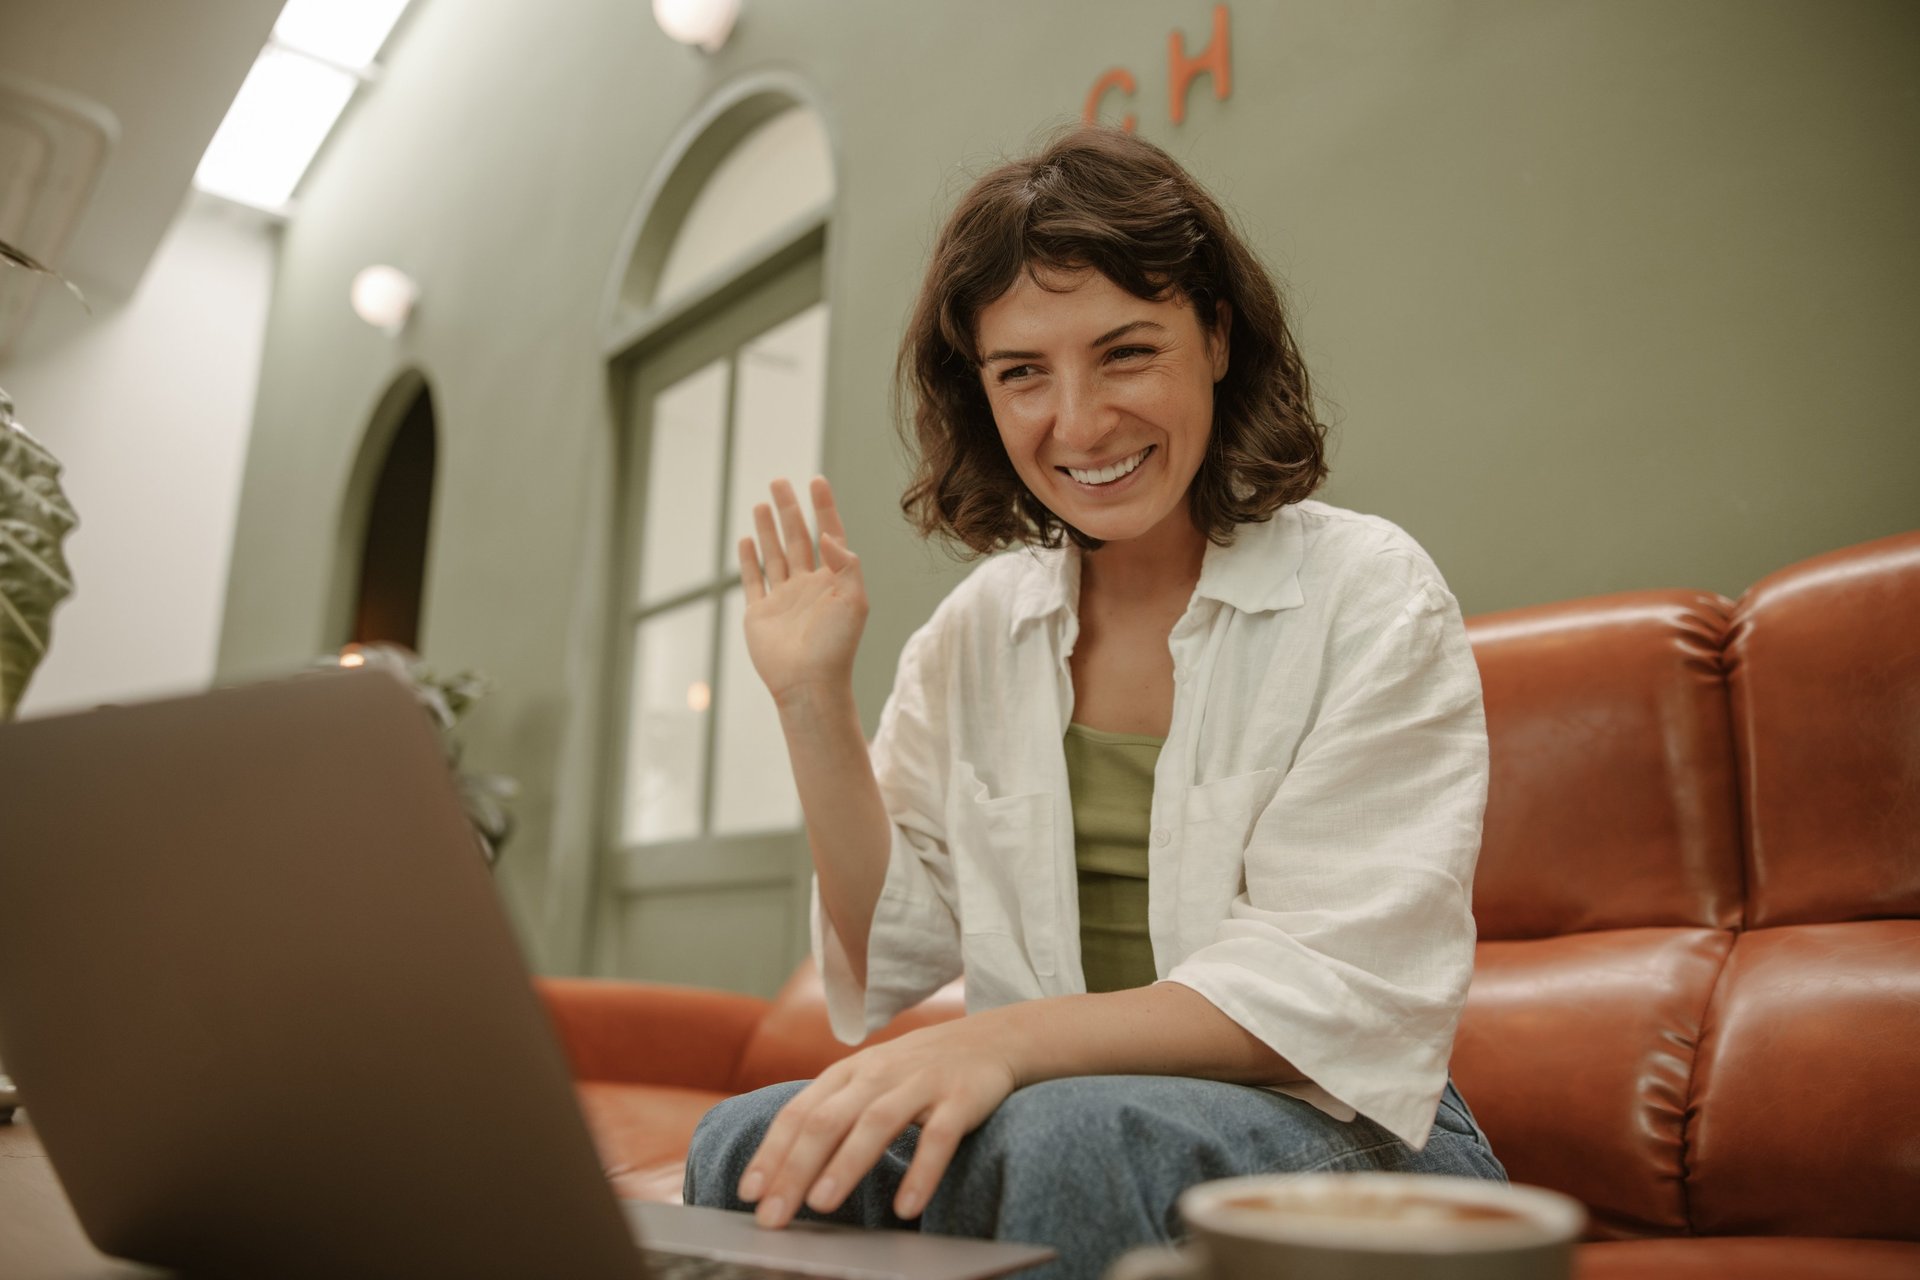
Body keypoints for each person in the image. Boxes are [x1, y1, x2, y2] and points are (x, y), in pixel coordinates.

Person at [683, 126, 1504, 1280]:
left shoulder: (1369, 592)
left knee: (1065, 1133)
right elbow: (893, 947)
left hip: (1358, 1144)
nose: (1077, 422)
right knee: (747, 1138)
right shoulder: (977, 631)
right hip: (1060, 1118)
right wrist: (811, 696)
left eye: (1124, 352)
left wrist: (1009, 1042)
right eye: (1023, 372)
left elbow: (1326, 990)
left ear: (1216, 336)